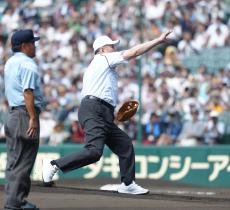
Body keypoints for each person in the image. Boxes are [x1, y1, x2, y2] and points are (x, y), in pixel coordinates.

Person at [42, 30, 172, 194]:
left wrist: (112, 113)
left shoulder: (101, 66)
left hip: (100, 109)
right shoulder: (103, 58)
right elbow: (135, 52)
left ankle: (128, 184)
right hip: (93, 108)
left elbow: (103, 96)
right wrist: (157, 41)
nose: (114, 48)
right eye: (111, 46)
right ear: (102, 49)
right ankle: (54, 164)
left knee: (124, 144)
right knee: (94, 151)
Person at [4, 29, 43, 210]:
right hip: (24, 114)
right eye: (32, 43)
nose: (35, 46)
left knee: (14, 161)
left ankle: (13, 200)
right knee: (24, 160)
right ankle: (16, 203)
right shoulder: (27, 64)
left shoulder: (10, 62)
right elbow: (27, 92)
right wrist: (33, 118)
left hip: (12, 114)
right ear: (25, 46)